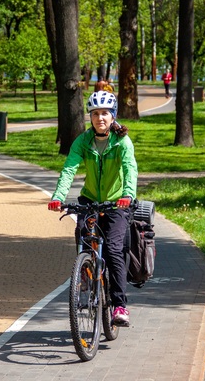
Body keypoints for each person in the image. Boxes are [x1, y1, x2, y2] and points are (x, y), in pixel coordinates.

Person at [48, 91, 138, 327]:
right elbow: (69, 169)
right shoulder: (83, 141)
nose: (100, 118)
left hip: (118, 202)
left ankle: (119, 305)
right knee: (83, 235)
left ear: (113, 116)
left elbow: (130, 169)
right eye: (95, 113)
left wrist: (128, 195)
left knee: (114, 250)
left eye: (105, 114)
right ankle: (86, 271)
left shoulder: (121, 142)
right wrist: (58, 197)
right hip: (90, 199)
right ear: (90, 116)